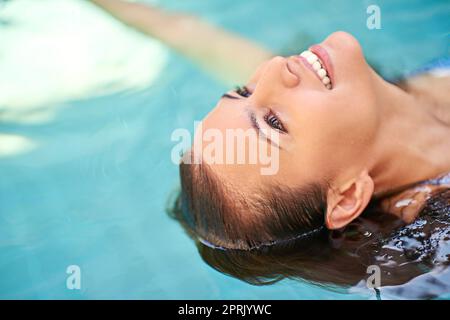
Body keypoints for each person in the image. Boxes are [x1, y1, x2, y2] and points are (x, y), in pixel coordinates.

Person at [90, 0, 450, 288]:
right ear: (346, 197)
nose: (275, 68)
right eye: (274, 123)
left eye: (243, 91)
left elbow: (184, 32)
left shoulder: (350, 99)